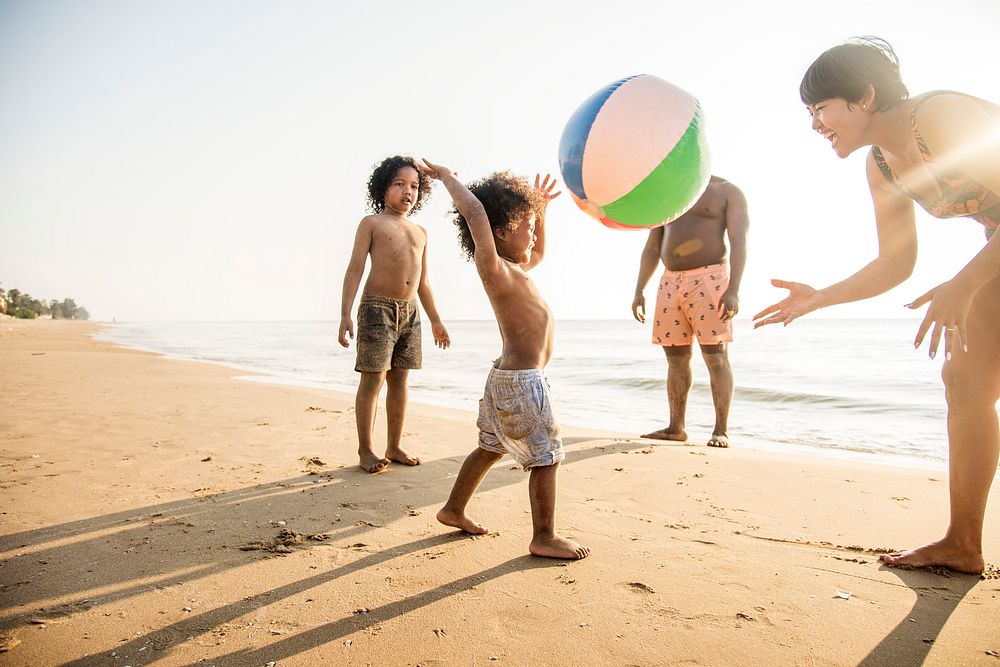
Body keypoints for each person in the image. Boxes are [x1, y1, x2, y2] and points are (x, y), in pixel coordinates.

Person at [753, 37, 1000, 575]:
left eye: (820, 108)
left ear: (864, 97)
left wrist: (963, 284)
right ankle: (963, 544)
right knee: (964, 381)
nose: (815, 124)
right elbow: (895, 262)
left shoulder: (940, 117)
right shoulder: (882, 166)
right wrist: (821, 297)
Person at [418, 158, 590, 560]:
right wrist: (447, 177)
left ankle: (453, 508)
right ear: (499, 233)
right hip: (523, 382)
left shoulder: (518, 267)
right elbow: (475, 210)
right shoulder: (494, 266)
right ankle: (543, 536)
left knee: (490, 447)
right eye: (526, 229)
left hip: (507, 380)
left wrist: (541, 212)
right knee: (546, 457)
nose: (532, 237)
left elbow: (540, 251)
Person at [339, 155, 451, 473]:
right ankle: (365, 450)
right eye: (399, 184)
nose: (408, 191)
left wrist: (436, 321)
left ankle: (395, 444)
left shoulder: (421, 232)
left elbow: (423, 282)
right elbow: (355, 269)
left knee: (400, 381)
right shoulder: (372, 223)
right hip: (377, 308)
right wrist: (345, 313)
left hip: (410, 312)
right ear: (383, 187)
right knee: (373, 380)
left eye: (414, 186)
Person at [631, 176, 749, 448]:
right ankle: (676, 427)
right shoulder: (669, 190)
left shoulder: (727, 191)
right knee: (675, 358)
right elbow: (652, 246)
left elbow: (739, 242)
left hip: (711, 278)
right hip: (670, 280)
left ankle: (721, 430)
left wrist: (733, 289)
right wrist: (639, 289)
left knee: (715, 355)